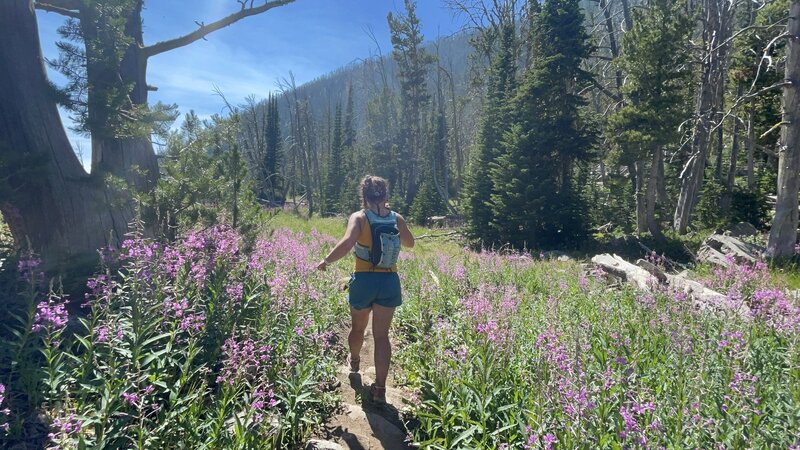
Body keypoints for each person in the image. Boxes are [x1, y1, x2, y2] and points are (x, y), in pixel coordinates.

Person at [316, 175, 414, 403]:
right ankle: (380, 388)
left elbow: (348, 242)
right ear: (385, 195)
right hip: (389, 281)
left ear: (364, 196)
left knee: (358, 328)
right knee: (382, 336)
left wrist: (326, 261)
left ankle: (355, 361)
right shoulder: (396, 218)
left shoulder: (359, 218)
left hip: (363, 280)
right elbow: (410, 243)